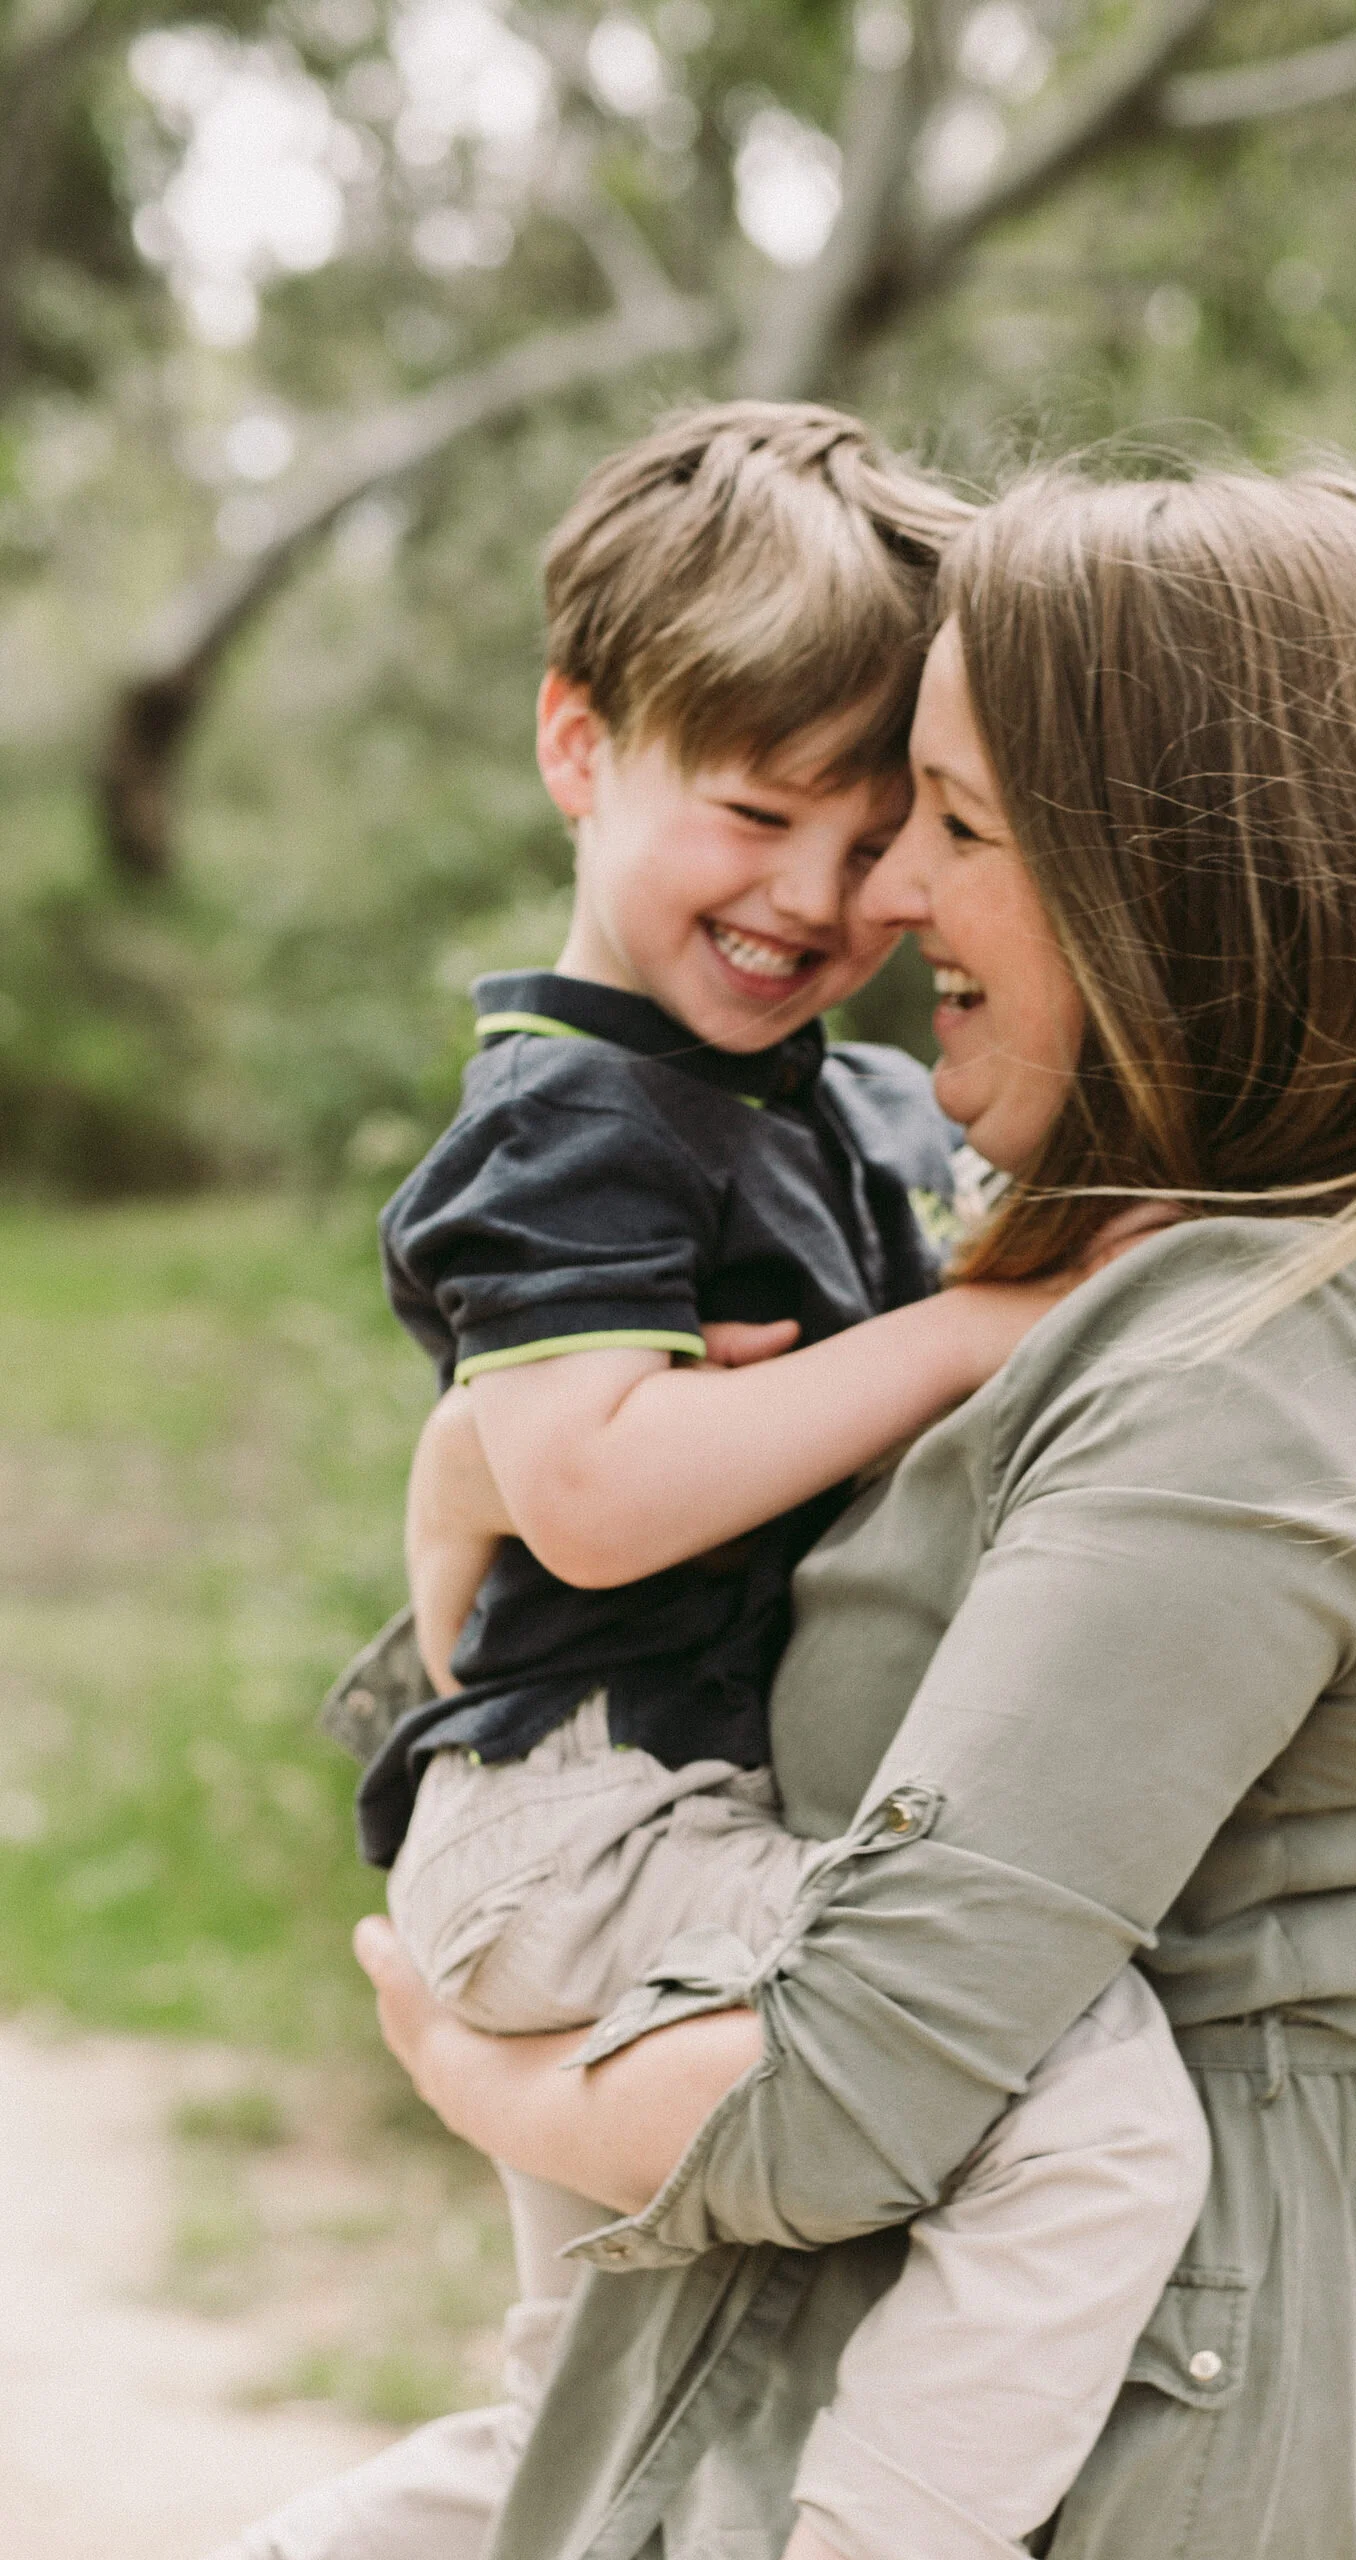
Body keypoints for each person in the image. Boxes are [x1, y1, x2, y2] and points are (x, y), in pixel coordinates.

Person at [362, 461, 1356, 2560]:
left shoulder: (1258, 1355)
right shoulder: (1086, 1258)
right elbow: (564, 1507)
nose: (881, 901)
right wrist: (483, 1454)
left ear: (1163, 885)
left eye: (943, 824)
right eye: (839, 817)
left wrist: (481, 2072)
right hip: (872, 2355)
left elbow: (857, 2074)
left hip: (1104, 2446)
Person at [222, 406, 1210, 2560]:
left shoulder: (844, 1106)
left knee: (607, 2417)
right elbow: (584, 1494)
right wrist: (959, 1331)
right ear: (578, 746)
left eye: (885, 836)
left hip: (633, 1814)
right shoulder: (571, 1119)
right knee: (1093, 2107)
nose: (811, 895)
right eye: (752, 809)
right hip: (587, 1821)